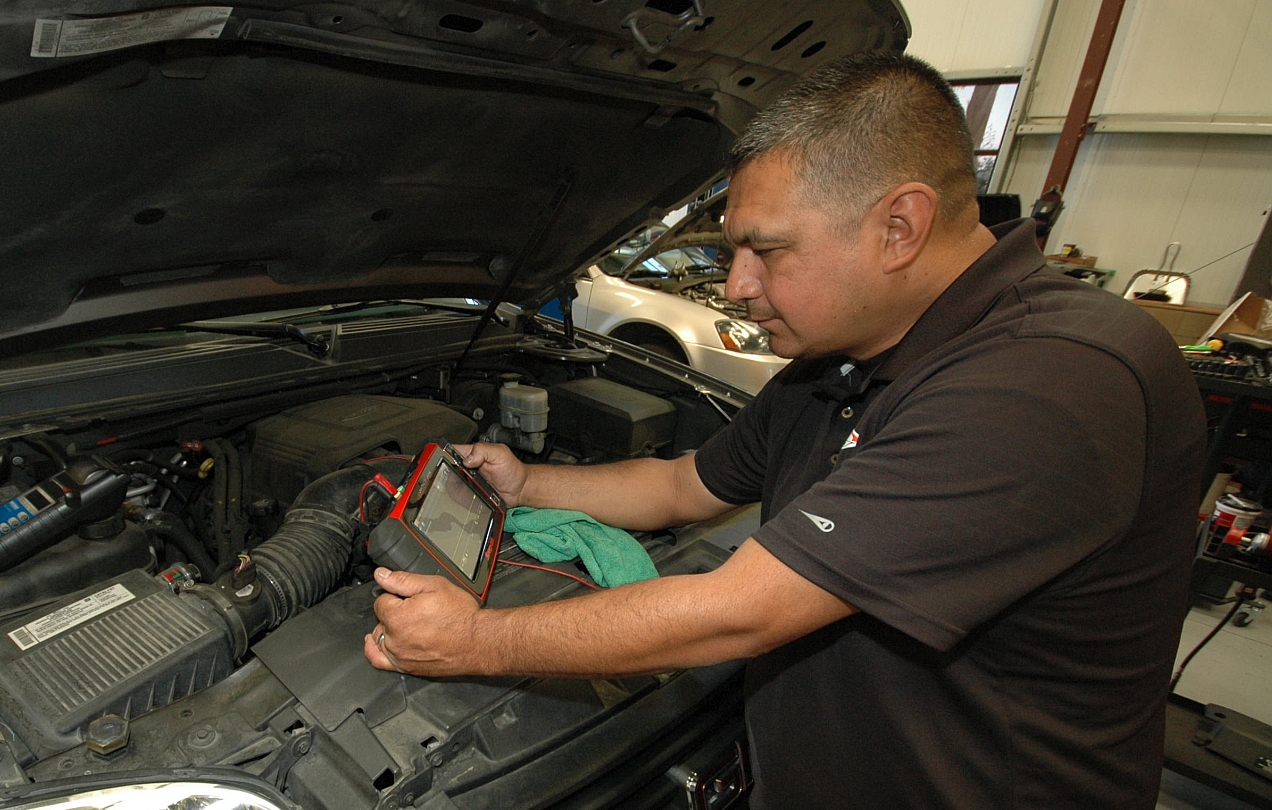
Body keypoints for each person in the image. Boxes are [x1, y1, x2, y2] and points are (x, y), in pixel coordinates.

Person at [363, 50, 1206, 808]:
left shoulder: (1049, 381)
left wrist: (475, 640)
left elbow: (739, 613)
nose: (735, 286)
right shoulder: (842, 358)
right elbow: (682, 485)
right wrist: (528, 483)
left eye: (766, 251)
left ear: (899, 228)